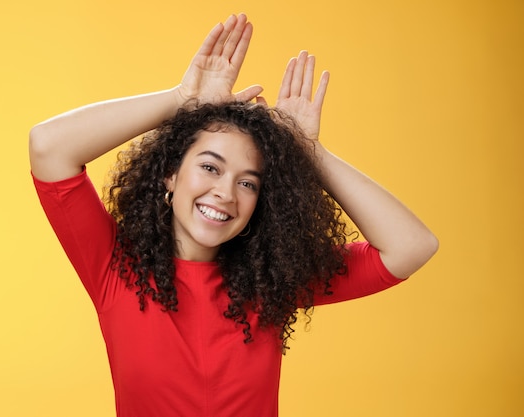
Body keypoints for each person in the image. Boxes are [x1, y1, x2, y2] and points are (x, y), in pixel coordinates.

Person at [29, 13, 438, 417]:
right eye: (210, 167)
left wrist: (309, 154)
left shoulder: (273, 282)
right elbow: (48, 146)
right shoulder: (114, 270)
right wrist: (179, 101)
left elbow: (412, 246)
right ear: (170, 174)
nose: (225, 193)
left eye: (248, 183)